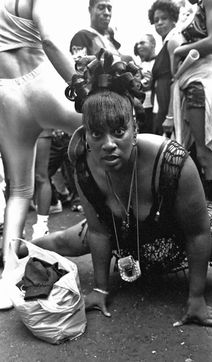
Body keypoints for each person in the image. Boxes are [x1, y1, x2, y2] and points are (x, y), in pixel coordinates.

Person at [23, 51, 212, 328]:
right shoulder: (83, 165)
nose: (108, 143)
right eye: (97, 134)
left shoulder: (172, 159)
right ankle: (9, 252)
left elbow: (197, 233)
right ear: (86, 135)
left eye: (119, 131)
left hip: (182, 228)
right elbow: (98, 232)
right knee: (58, 242)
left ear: (134, 130)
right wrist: (100, 289)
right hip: (118, 228)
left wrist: (196, 298)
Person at [0, 0, 82, 308]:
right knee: (102, 129)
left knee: (19, 191)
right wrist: (83, 89)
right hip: (42, 85)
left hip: (5, 95)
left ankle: (8, 274)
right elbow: (48, 41)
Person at [171, 0, 212, 216]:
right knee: (204, 156)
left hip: (203, 79)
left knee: (207, 156)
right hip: (196, 78)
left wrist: (180, 50)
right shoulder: (195, 7)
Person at [148, 0, 183, 136]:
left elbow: (176, 79)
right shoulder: (165, 44)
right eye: (156, 20)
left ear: (174, 19)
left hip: (171, 107)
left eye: (164, 18)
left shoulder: (174, 40)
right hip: (161, 106)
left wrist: (170, 116)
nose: (159, 22)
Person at [134, 34, 157, 133]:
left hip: (155, 108)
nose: (139, 46)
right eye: (138, 44)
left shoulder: (159, 62)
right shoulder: (138, 66)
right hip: (142, 109)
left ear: (153, 44)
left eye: (142, 43)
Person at [32, 130, 53, 239]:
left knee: (40, 176)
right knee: (12, 178)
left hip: (40, 126)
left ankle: (42, 226)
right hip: (15, 124)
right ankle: (15, 226)